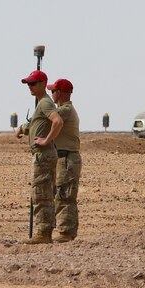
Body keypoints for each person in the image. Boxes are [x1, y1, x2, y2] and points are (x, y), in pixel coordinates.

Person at [14, 69, 60, 244]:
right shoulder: (41, 103)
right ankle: (44, 231)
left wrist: (47, 139)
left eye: (33, 84)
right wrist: (22, 129)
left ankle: (43, 232)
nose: (30, 87)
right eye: (28, 84)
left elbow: (57, 121)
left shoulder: (45, 103)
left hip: (43, 155)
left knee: (41, 193)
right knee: (43, 192)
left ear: (42, 84)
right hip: (42, 155)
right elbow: (37, 123)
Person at [47, 78, 81, 243]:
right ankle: (67, 231)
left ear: (59, 93)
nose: (51, 94)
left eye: (53, 91)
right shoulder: (65, 110)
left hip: (67, 158)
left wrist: (24, 128)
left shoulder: (65, 110)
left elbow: (44, 120)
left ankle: (66, 232)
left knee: (64, 194)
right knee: (63, 194)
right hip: (64, 157)